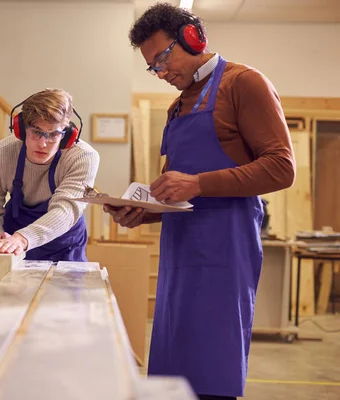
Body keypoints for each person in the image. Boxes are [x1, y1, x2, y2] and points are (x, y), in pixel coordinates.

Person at [106, 4, 295, 400]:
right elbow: (179, 192)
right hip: (180, 252)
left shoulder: (245, 84)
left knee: (212, 367)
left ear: (193, 38)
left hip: (224, 251)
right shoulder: (178, 107)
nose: (160, 72)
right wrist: (144, 213)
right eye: (152, 67)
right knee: (173, 371)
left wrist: (197, 183)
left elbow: (281, 168)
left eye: (162, 58)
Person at [0, 88, 99, 261]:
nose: (43, 143)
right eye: (36, 131)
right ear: (21, 128)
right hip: (13, 245)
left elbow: (65, 211)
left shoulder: (83, 157)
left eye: (53, 134)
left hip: (64, 246)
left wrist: (23, 239)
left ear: (67, 135)